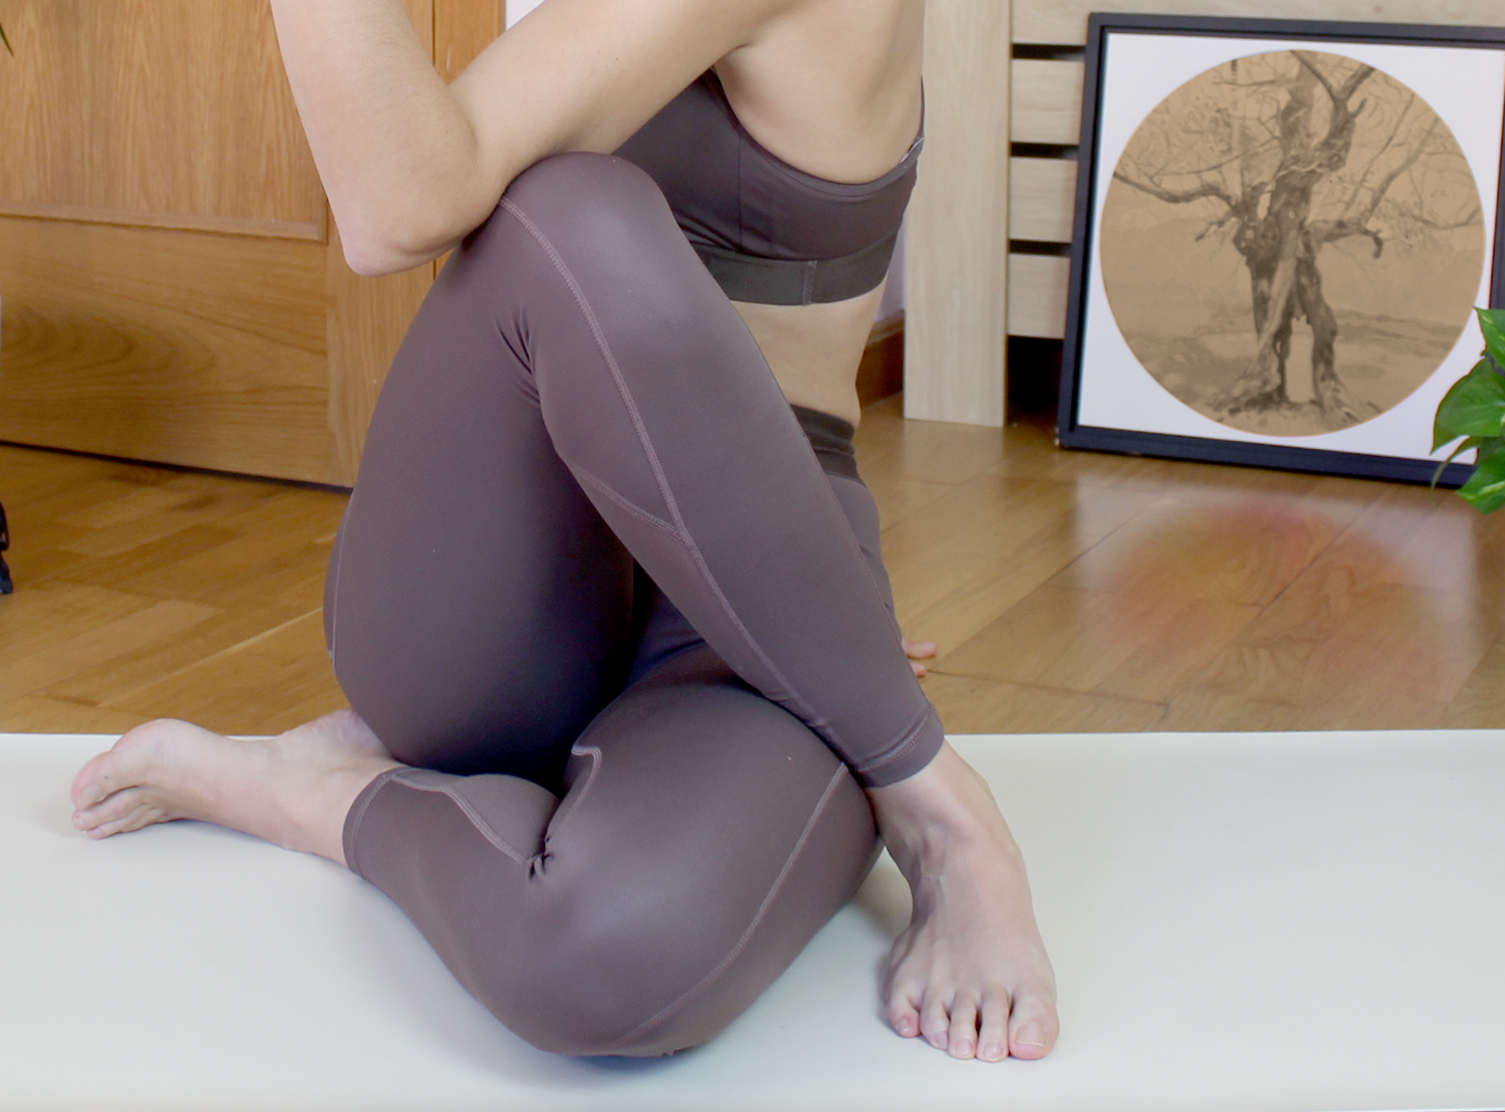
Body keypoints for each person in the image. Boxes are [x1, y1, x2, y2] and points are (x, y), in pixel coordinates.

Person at [67, 0, 1058, 1064]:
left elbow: (405, 199)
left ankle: (323, 793)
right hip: (493, 602)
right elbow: (399, 209)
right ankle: (930, 796)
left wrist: (817, 622)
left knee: (611, 957)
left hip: (750, 560)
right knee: (570, 210)